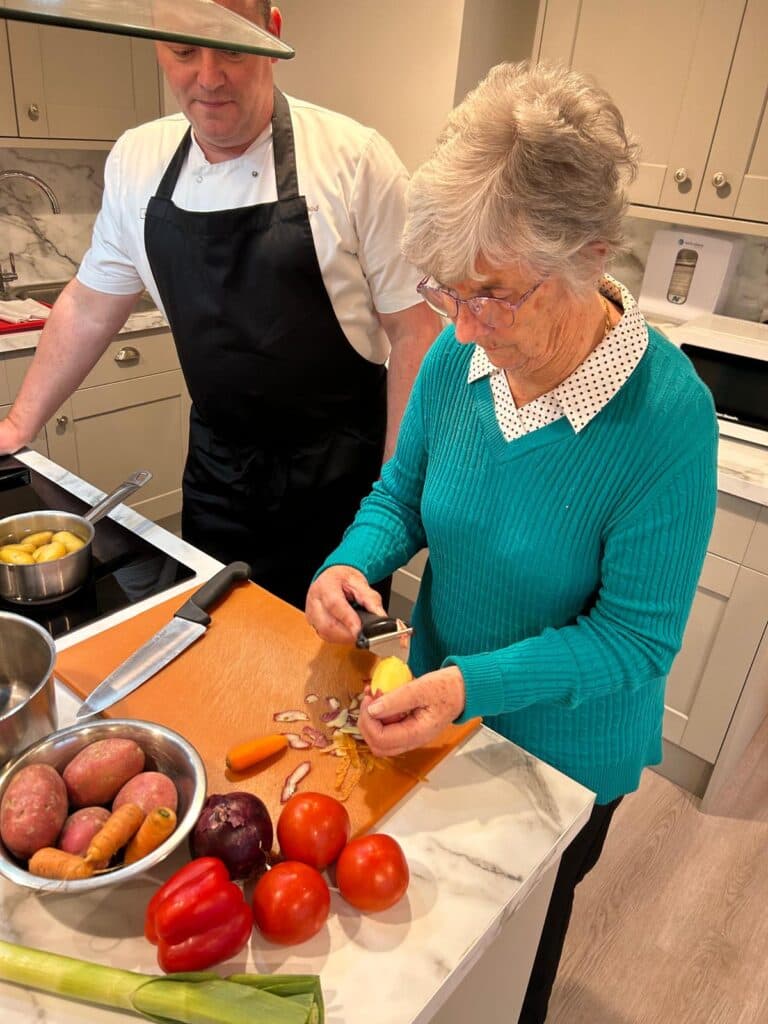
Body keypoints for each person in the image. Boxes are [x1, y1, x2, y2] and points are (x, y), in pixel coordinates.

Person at [306, 61, 717, 1022]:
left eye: (493, 293)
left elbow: (634, 643)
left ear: (592, 252)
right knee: (428, 958)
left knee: (510, 975)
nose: (464, 323)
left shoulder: (668, 419)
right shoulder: (462, 353)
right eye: (449, 290)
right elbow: (401, 496)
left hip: (563, 761)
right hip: (439, 721)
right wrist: (347, 562)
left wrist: (467, 685)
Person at [0, 1, 438, 608]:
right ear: (156, 44)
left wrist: (394, 496)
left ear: (274, 34)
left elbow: (415, 331)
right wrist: (18, 424)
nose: (208, 76)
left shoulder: (354, 159)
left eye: (232, 47)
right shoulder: (137, 160)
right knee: (218, 649)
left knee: (329, 683)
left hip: (339, 486)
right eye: (183, 51)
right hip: (217, 476)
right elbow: (90, 304)